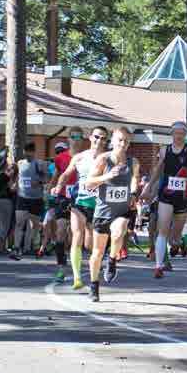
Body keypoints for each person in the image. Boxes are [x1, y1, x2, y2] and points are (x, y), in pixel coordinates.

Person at [141, 121, 187, 279]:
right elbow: (158, 170)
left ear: (185, 135)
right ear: (172, 135)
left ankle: (180, 242)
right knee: (162, 231)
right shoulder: (165, 151)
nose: (178, 136)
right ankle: (158, 266)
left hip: (183, 198)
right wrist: (148, 187)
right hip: (166, 195)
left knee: (174, 238)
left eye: (181, 133)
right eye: (176, 133)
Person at [84, 127, 140, 302]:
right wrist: (106, 176)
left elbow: (134, 179)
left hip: (121, 211)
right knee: (96, 253)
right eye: (120, 140)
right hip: (103, 212)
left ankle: (113, 259)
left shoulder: (133, 162)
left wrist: (132, 193)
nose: (123, 144)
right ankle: (94, 286)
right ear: (113, 141)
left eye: (126, 141)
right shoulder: (103, 159)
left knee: (119, 230)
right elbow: (88, 184)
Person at [54, 126, 108, 289]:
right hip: (80, 202)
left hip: (98, 205)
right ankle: (77, 278)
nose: (99, 141)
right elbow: (66, 173)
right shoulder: (79, 157)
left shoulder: (108, 158)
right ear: (90, 138)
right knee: (76, 236)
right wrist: (58, 185)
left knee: (90, 245)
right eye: (97, 137)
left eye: (103, 138)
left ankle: (98, 265)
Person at [47, 128, 83, 283]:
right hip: (63, 199)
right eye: (73, 137)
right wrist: (51, 187)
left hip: (80, 199)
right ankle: (61, 268)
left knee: (78, 234)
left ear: (82, 139)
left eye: (79, 137)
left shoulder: (85, 157)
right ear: (68, 139)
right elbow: (57, 175)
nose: (76, 139)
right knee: (61, 231)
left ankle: (79, 264)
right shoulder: (61, 158)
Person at [14, 142, 48, 256]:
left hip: (36, 199)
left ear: (33, 152)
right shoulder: (20, 163)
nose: (27, 154)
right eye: (25, 152)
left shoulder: (40, 164)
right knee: (19, 223)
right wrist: (15, 184)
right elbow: (18, 176)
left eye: (29, 152)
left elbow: (47, 178)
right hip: (22, 197)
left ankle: (32, 246)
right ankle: (16, 247)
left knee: (34, 225)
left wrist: (38, 181)